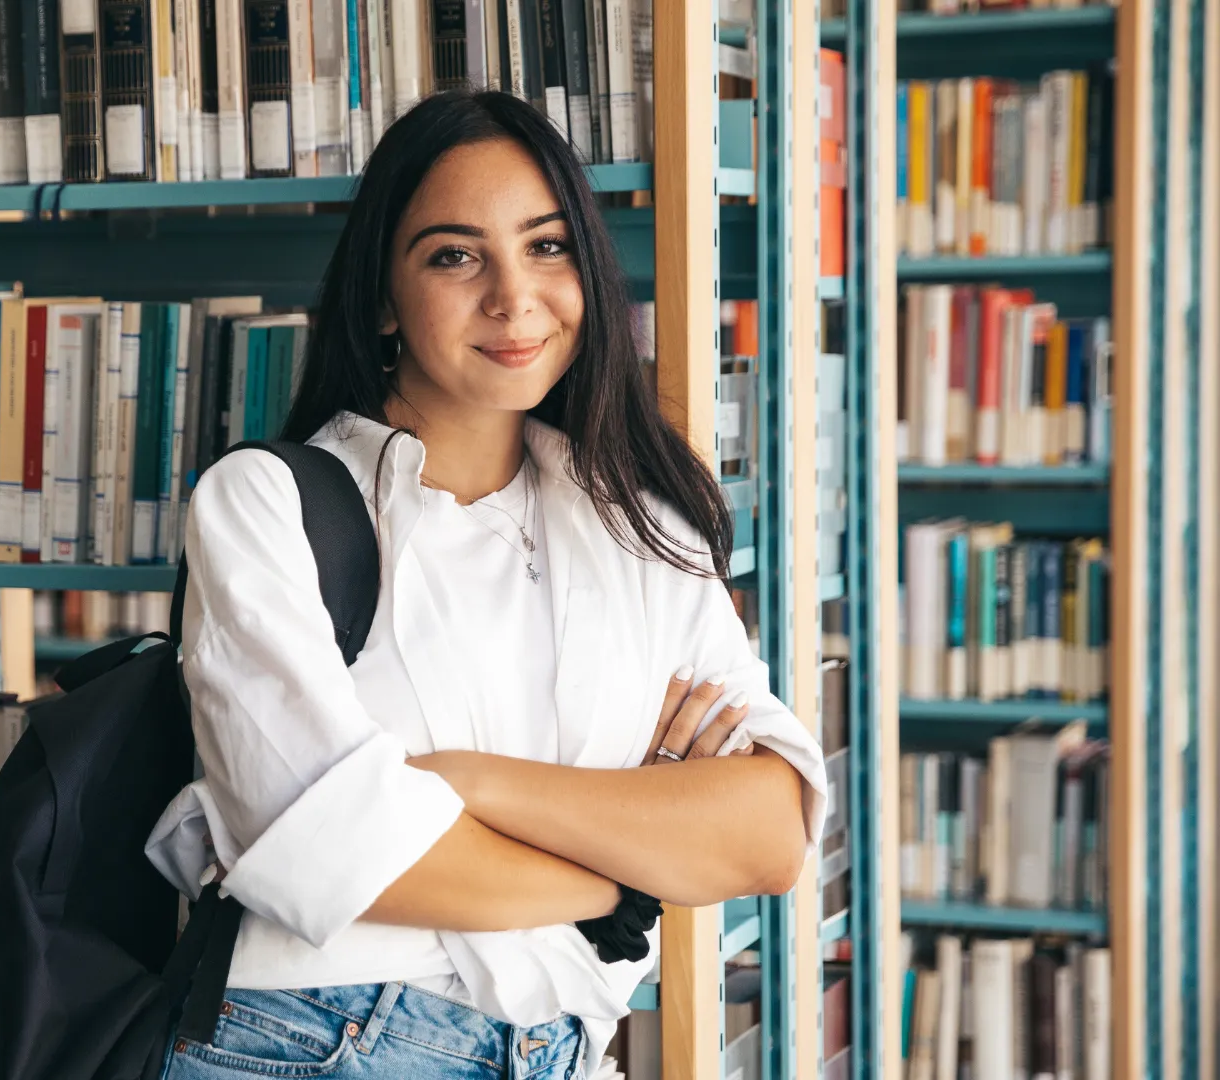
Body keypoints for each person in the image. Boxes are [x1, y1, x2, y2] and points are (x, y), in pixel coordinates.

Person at [146, 90, 828, 1080]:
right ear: (383, 295)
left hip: (559, 1052)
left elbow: (769, 835)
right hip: (312, 1044)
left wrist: (467, 783)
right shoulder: (266, 504)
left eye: (547, 247)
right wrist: (625, 876)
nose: (515, 298)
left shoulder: (636, 522)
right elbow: (328, 854)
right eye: (454, 255)